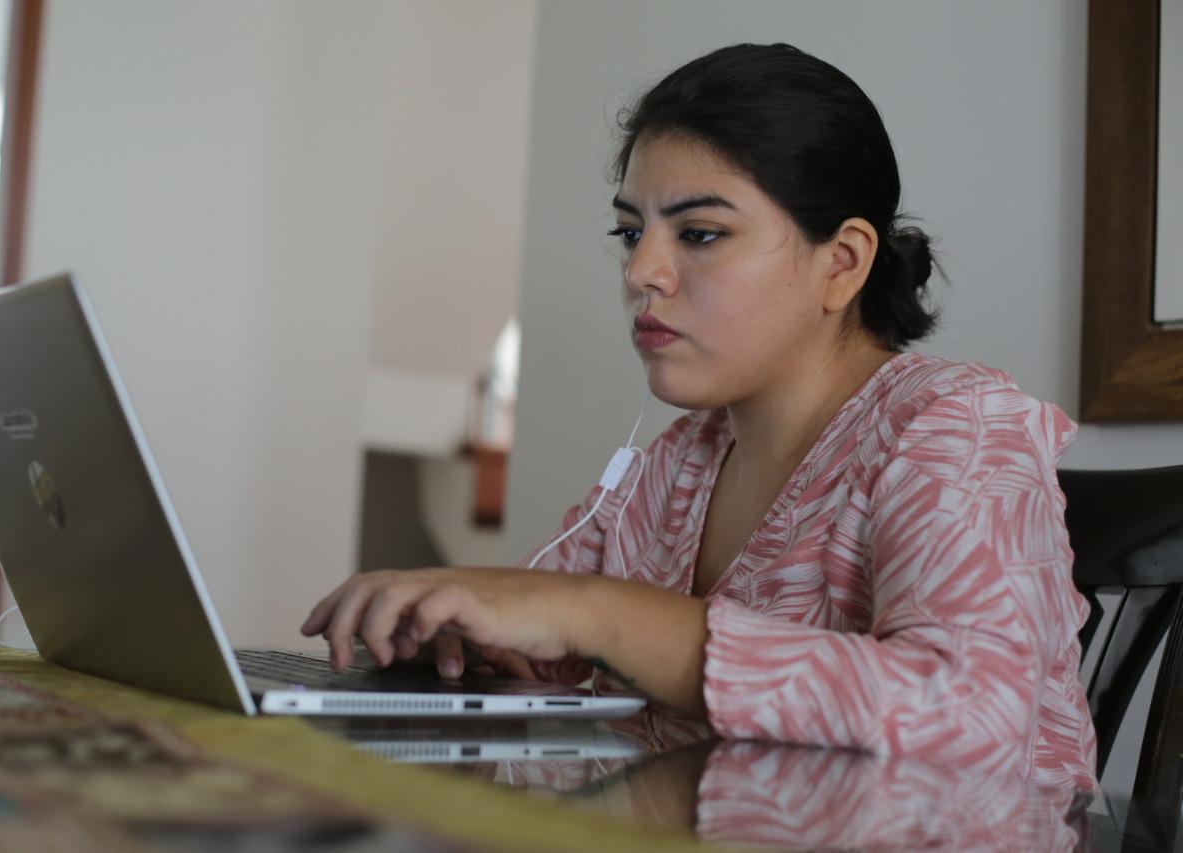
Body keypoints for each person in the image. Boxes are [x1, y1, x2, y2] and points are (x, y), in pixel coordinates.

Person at [301, 43, 1097, 791]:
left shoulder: (962, 430)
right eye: (630, 232)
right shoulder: (678, 462)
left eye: (701, 233)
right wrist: (465, 626)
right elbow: (548, 639)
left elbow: (973, 718)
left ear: (842, 263)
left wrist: (593, 611)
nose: (642, 271)